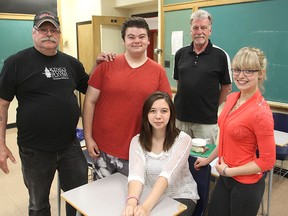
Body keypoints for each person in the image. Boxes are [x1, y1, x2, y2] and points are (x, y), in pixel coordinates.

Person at [0, 10, 114, 216]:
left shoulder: (70, 63)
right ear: (34, 32)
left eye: (53, 30)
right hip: (35, 149)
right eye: (43, 29)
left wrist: (98, 66)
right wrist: (0, 144)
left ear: (60, 34)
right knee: (38, 203)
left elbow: (88, 87)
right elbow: (2, 105)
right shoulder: (15, 63)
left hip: (69, 145)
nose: (48, 34)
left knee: (80, 196)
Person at [83, 17, 172, 179]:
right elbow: (90, 101)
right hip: (103, 149)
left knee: (132, 198)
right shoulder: (106, 65)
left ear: (148, 40)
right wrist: (88, 138)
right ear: (123, 40)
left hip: (139, 150)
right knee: (102, 198)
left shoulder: (158, 72)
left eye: (141, 37)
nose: (136, 41)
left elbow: (166, 112)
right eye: (131, 37)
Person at [194, 47, 276, 216]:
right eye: (237, 69)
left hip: (246, 184)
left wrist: (229, 171)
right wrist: (209, 159)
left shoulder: (261, 113)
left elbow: (267, 162)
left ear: (261, 73)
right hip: (225, 176)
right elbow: (225, 138)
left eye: (248, 70)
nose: (240, 75)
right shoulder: (232, 98)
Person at [122, 91, 199, 216]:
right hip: (149, 195)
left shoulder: (183, 140)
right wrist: (131, 203)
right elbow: (136, 176)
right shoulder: (137, 141)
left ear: (171, 114)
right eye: (152, 111)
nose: (158, 116)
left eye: (164, 111)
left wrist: (146, 207)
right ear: (146, 114)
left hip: (180, 197)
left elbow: (167, 175)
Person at [173, 9, 232, 144]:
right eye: (195, 28)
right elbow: (179, 82)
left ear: (210, 30)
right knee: (178, 158)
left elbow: (227, 87)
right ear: (191, 30)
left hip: (206, 123)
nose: (199, 32)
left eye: (203, 28)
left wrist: (211, 106)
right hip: (180, 119)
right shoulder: (180, 54)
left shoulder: (221, 55)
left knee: (203, 160)